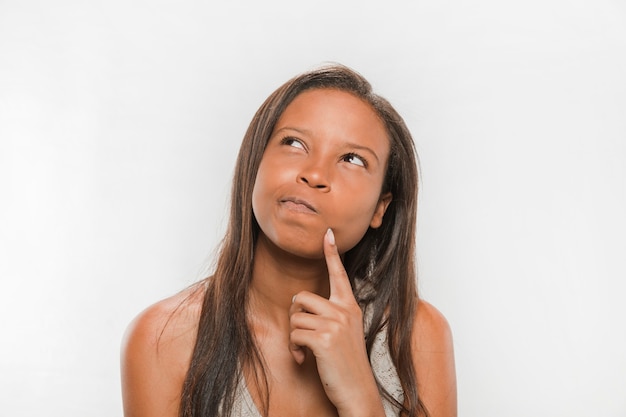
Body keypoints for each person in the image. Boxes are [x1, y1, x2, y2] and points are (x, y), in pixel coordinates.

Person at [121, 64, 457, 417]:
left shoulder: (418, 336)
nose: (314, 174)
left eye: (352, 159)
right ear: (256, 163)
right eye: (294, 142)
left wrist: (360, 398)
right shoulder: (163, 339)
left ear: (380, 208)